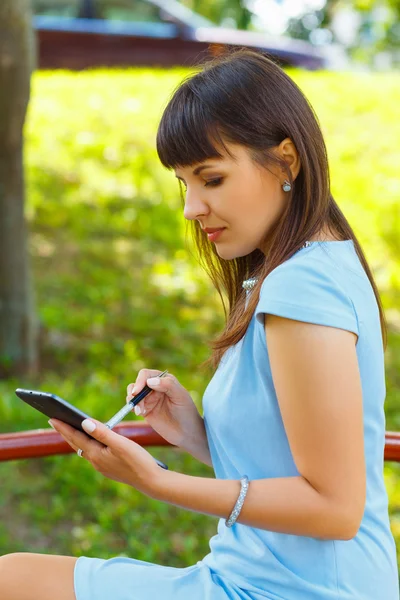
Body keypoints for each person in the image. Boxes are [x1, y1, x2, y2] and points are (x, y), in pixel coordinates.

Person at [0, 48, 398, 600]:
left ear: (287, 160)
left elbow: (335, 509)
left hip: (296, 591)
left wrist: (158, 481)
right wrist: (193, 433)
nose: (191, 207)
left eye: (210, 179)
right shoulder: (309, 266)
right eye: (184, 183)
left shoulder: (302, 287)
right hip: (265, 578)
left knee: (12, 581)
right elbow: (293, 461)